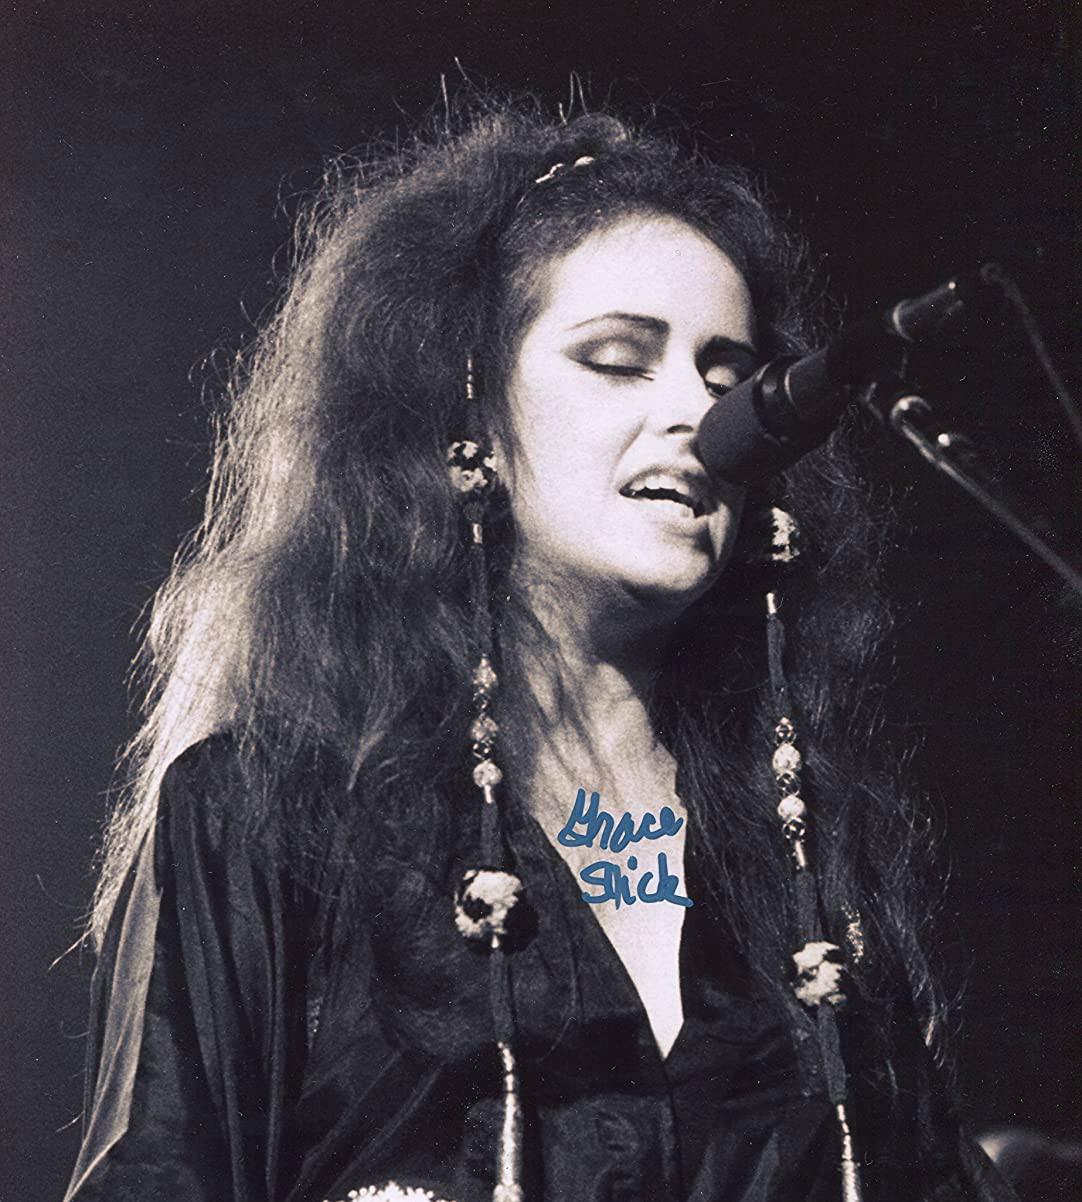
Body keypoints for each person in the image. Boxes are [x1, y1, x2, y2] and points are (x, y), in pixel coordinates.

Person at [63, 97, 1018, 1202]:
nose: (699, 417)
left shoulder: (804, 848)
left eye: (727, 378)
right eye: (618, 360)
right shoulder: (268, 810)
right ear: (466, 408)